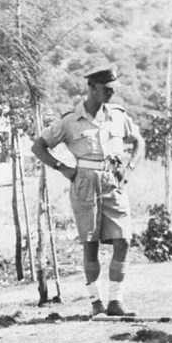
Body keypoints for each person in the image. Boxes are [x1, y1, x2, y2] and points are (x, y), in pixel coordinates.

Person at [30, 66, 144, 317]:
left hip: (114, 181)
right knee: (90, 244)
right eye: (107, 89)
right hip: (84, 184)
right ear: (92, 87)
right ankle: (96, 304)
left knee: (123, 240)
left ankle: (116, 302)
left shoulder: (118, 116)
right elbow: (38, 146)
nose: (112, 94)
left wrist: (130, 167)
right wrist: (62, 168)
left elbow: (138, 141)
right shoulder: (70, 121)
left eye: (114, 89)